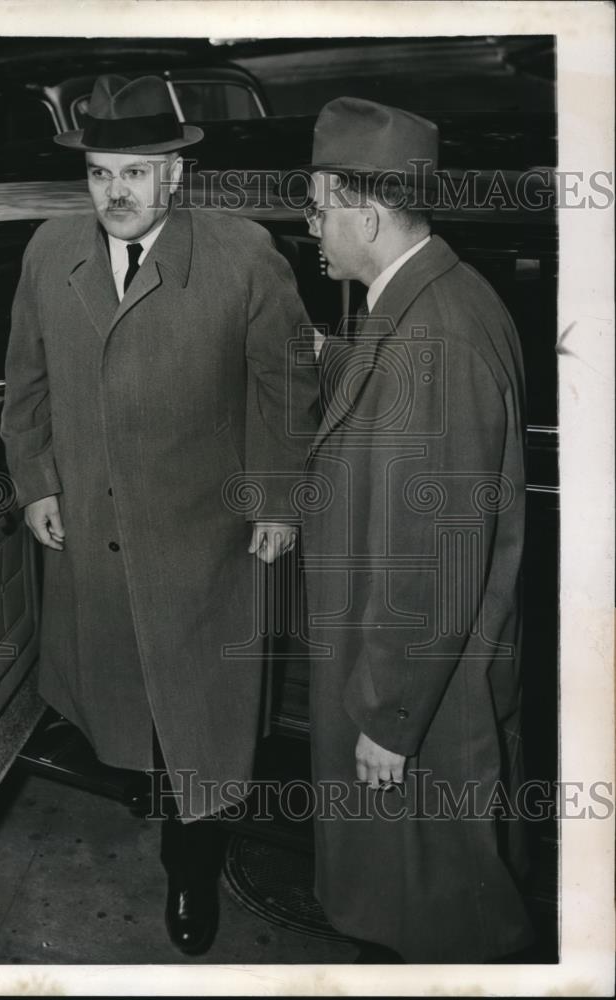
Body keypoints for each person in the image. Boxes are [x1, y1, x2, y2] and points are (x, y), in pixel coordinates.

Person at [1, 74, 320, 956]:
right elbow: (24, 387)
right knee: (121, 700)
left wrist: (281, 500)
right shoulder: (47, 251)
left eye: (135, 174)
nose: (116, 193)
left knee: (199, 724)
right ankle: (148, 784)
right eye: (102, 173)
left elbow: (288, 389)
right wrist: (36, 482)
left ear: (175, 177)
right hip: (94, 543)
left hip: (203, 538)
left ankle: (193, 870)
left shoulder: (244, 254)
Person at [299, 97, 536, 962]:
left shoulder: (431, 338)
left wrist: (391, 720)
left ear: (364, 213)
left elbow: (436, 558)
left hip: (414, 695)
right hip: (418, 674)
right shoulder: (435, 298)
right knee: (422, 895)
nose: (312, 227)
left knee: (440, 915)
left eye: (319, 208)